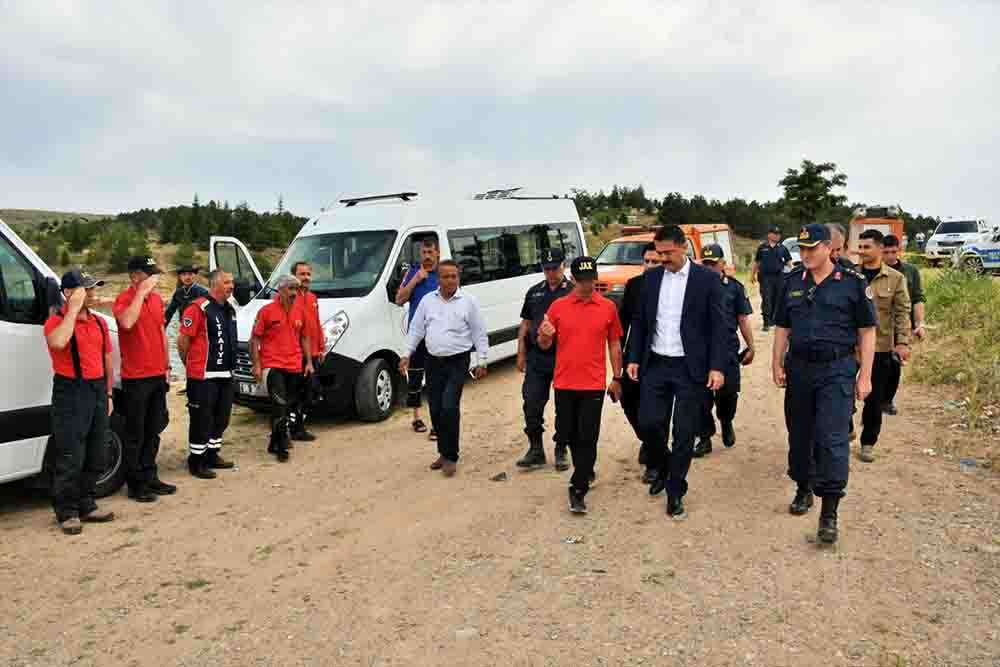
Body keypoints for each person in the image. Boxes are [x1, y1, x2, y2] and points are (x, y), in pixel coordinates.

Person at [772, 224, 876, 544]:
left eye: (811, 248)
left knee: (831, 438)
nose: (804, 254)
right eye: (801, 249)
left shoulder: (852, 284)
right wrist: (776, 362)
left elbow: (867, 331)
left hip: (836, 369)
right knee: (800, 434)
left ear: (829, 248)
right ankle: (804, 488)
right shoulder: (791, 283)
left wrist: (865, 375)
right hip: (800, 369)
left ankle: (829, 511)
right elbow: (782, 327)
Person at [626, 225, 727, 520]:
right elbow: (641, 322)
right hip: (656, 363)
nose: (664, 258)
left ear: (684, 247)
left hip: (689, 368)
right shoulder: (652, 279)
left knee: (683, 433)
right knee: (648, 423)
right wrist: (634, 357)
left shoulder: (706, 280)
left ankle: (675, 490)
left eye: (668, 252)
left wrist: (717, 366)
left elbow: (720, 327)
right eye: (660, 253)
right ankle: (666, 468)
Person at [537, 256, 623, 514]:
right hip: (564, 383)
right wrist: (544, 335)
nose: (588, 285)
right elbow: (544, 345)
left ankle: (578, 487)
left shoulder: (607, 307)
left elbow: (614, 344)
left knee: (588, 436)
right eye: (582, 280)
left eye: (591, 280)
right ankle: (585, 469)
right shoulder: (558, 307)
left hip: (593, 385)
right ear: (573, 279)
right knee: (568, 433)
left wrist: (617, 378)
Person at [399, 260, 488, 477]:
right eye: (445, 276)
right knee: (436, 408)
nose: (450, 280)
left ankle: (451, 456)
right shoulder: (428, 301)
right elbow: (416, 330)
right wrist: (406, 354)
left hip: (458, 362)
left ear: (458, 278)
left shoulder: (469, 302)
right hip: (433, 361)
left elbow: (479, 332)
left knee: (449, 406)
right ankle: (443, 452)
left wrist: (482, 359)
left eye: (454, 276)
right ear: (438, 279)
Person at [44, 270, 116, 535]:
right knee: (70, 454)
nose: (92, 294)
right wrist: (72, 309)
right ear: (69, 293)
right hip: (70, 391)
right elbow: (59, 342)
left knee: (97, 451)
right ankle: (67, 511)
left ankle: (86, 503)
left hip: (97, 390)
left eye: (93, 289)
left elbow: (107, 358)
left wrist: (108, 393)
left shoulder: (98, 323)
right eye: (87, 289)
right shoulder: (56, 322)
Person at [113, 256, 176, 503]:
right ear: (135, 276)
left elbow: (161, 332)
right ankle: (135, 484)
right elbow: (127, 322)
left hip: (157, 374)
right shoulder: (124, 300)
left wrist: (167, 365)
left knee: (154, 429)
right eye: (150, 274)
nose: (155, 279)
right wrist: (140, 293)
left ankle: (150, 476)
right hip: (136, 378)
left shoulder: (157, 300)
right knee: (135, 433)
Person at [694, 244, 755, 457]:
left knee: (727, 394)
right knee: (699, 397)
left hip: (727, 349)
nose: (710, 268)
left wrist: (751, 346)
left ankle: (726, 420)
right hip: (700, 350)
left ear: (723, 264)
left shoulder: (734, 288)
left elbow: (742, 319)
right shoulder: (693, 287)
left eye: (714, 264)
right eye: (706, 264)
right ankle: (704, 437)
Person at [515, 248, 573, 471]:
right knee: (531, 402)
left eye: (554, 268)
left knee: (564, 405)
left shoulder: (572, 291)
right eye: (546, 269)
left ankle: (561, 448)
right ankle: (536, 449)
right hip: (537, 357)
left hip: (563, 356)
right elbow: (526, 324)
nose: (550, 273)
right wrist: (520, 353)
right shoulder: (534, 292)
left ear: (563, 266)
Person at [856, 230, 911, 463]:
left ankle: (868, 442)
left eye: (867, 247)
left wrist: (902, 342)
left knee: (874, 398)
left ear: (879, 249)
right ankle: (846, 425)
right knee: (841, 392)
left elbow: (901, 312)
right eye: (860, 246)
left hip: (879, 347)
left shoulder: (896, 279)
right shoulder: (849, 275)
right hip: (849, 347)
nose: (862, 251)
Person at [177, 270, 238, 479]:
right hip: (203, 376)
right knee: (201, 420)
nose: (232, 286)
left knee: (222, 419)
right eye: (227, 282)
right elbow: (183, 341)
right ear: (215, 285)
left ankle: (212, 454)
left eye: (232, 282)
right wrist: (190, 365)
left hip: (226, 375)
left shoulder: (230, 309)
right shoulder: (198, 308)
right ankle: (196, 461)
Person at [250, 275, 314, 462]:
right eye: (291, 289)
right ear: (280, 290)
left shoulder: (300, 311)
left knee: (287, 406)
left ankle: (273, 441)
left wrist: (309, 362)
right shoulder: (266, 311)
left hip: (294, 366)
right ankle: (281, 447)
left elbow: (304, 337)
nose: (294, 293)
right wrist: (256, 365)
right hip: (273, 365)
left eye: (296, 289)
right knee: (279, 406)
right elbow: (255, 339)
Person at [618, 243, 662, 483]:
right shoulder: (634, 285)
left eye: (655, 261)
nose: (649, 266)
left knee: (653, 412)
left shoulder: (669, 286)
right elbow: (624, 323)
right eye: (646, 261)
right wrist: (623, 358)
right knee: (628, 400)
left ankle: (655, 462)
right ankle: (647, 439)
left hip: (660, 359)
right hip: (635, 357)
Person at [395, 238, 441, 439]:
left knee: (436, 379)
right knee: (414, 377)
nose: (427, 256)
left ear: (437, 253)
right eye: (424, 252)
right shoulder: (413, 272)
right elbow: (399, 299)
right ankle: (416, 417)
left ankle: (437, 424)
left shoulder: (443, 274)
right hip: (417, 334)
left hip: (437, 334)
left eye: (431, 252)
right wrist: (415, 280)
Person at [881, 234, 927, 415]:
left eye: (894, 252)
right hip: (879, 326)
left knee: (894, 363)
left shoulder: (910, 271)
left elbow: (917, 299)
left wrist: (920, 324)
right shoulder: (875, 271)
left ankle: (887, 400)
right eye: (886, 252)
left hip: (900, 325)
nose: (891, 256)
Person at [290, 261, 325, 441]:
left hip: (313, 353)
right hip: (296, 354)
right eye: (301, 274)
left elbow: (316, 324)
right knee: (298, 393)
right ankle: (294, 429)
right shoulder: (288, 298)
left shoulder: (312, 298)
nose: (306, 278)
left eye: (308, 274)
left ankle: (297, 426)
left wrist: (321, 348)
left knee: (310, 393)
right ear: (293, 276)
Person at [751, 226, 792, 331]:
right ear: (769, 235)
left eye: (779, 234)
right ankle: (766, 323)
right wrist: (752, 275)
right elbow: (757, 262)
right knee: (766, 299)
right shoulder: (762, 247)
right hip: (765, 277)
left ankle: (775, 320)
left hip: (779, 277)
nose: (778, 236)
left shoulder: (782, 248)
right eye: (775, 234)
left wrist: (794, 273)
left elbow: (789, 262)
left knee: (778, 299)